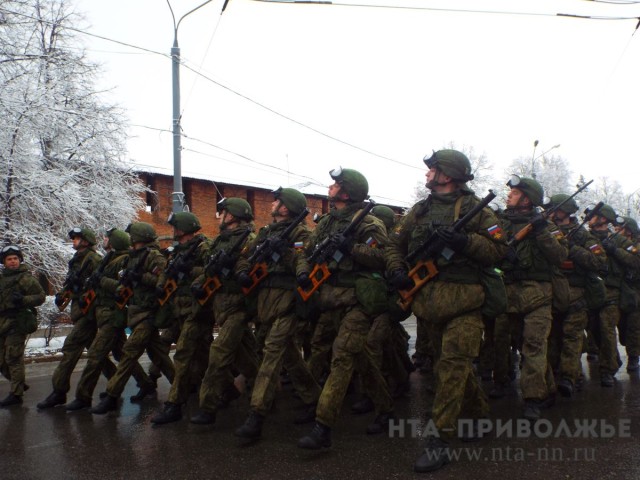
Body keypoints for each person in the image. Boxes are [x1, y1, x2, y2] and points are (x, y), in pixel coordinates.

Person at [384, 150, 506, 472]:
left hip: (466, 303)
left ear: (447, 175)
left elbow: (500, 250)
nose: (426, 175)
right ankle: (479, 416)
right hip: (428, 304)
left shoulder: (475, 210)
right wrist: (397, 269)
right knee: (452, 368)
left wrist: (465, 242)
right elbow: (394, 244)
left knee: (451, 367)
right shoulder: (420, 210)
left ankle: (438, 442)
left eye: (432, 170)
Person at [298, 167, 394, 450]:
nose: (331, 187)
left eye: (336, 184)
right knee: (357, 355)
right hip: (329, 299)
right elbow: (306, 252)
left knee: (342, 356)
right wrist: (304, 271)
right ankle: (386, 408)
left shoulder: (368, 222)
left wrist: (352, 248)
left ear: (347, 192)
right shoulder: (327, 222)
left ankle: (323, 425)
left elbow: (383, 256)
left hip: (357, 300)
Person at [234, 187, 322, 439]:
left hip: (288, 302)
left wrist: (283, 252)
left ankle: (256, 414)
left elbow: (303, 260)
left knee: (272, 353)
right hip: (265, 302)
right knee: (290, 357)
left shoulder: (300, 232)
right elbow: (245, 257)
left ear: (286, 207)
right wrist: (243, 270)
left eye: (278, 201)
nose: (273, 203)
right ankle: (314, 399)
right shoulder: (265, 232)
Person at [491, 176, 567, 421]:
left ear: (526, 199)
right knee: (515, 343)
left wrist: (541, 231)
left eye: (513, 193)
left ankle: (533, 399)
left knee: (534, 344)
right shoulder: (500, 222)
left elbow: (559, 256)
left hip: (538, 294)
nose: (508, 196)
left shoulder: (546, 226)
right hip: (509, 293)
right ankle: (547, 387)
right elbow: (488, 251)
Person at [90, 222, 175, 414]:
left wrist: (141, 277)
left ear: (139, 237)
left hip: (149, 312)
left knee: (129, 352)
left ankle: (112, 395)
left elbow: (165, 283)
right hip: (137, 311)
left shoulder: (154, 257)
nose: (130, 239)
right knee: (158, 354)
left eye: (133, 236)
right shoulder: (133, 257)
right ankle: (182, 387)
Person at [189, 198, 260, 425]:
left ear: (234, 215)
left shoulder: (250, 240)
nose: (220, 215)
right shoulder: (219, 240)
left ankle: (207, 407)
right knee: (244, 357)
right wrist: (200, 280)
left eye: (224, 212)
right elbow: (209, 267)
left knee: (219, 352)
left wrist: (237, 268)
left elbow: (250, 268)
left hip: (239, 305)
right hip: (220, 304)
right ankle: (265, 387)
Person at [64, 228, 148, 411]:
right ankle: (146, 383)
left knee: (95, 354)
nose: (103, 240)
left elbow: (123, 287)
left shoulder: (124, 260)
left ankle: (83, 396)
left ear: (115, 241)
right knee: (121, 354)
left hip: (114, 314)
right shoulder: (108, 259)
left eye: (107, 238)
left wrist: (101, 281)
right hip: (103, 314)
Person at [151, 212, 213, 424]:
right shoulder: (178, 250)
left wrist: (190, 269)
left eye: (176, 226)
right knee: (203, 355)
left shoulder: (203, 248)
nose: (174, 230)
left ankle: (175, 404)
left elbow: (212, 273)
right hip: (178, 309)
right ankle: (229, 390)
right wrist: (161, 285)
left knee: (184, 354)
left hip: (197, 310)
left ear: (185, 227)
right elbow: (166, 272)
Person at [544, 195, 607, 398]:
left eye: (555, 209)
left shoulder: (582, 237)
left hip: (577, 292)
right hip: (552, 292)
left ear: (566, 212)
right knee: (552, 338)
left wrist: (572, 249)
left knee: (572, 337)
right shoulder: (546, 231)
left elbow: (599, 261)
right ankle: (556, 375)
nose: (551, 212)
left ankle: (568, 378)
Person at [38, 227, 102, 409]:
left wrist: (86, 299)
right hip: (80, 311)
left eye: (77, 238)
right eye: (73, 238)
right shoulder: (76, 260)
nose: (74, 241)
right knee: (99, 355)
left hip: (88, 314)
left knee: (71, 347)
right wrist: (63, 294)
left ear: (86, 241)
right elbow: (72, 283)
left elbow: (99, 285)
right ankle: (131, 385)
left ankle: (59, 392)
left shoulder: (94, 259)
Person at [588, 205, 640, 386]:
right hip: (591, 290)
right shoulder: (587, 238)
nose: (590, 218)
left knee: (607, 327)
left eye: (594, 215)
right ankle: (613, 360)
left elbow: (636, 261)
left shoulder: (618, 240)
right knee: (593, 329)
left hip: (613, 290)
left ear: (604, 219)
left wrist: (614, 250)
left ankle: (607, 369)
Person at [0, 245, 46, 407]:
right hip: (3, 323)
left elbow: (41, 296)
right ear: (4, 262)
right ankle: (18, 382)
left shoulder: (25, 278)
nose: (12, 262)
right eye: (9, 259)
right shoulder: (2, 278)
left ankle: (16, 393)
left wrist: (23, 300)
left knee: (13, 358)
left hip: (18, 321)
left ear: (20, 260)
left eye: (15, 259)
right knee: (2, 361)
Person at [615, 217, 640, 373]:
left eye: (620, 228)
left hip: (635, 292)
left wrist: (615, 250)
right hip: (619, 290)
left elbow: (634, 261)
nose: (616, 230)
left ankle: (633, 356)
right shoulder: (616, 243)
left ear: (629, 231)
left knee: (634, 326)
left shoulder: (636, 246)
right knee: (621, 326)